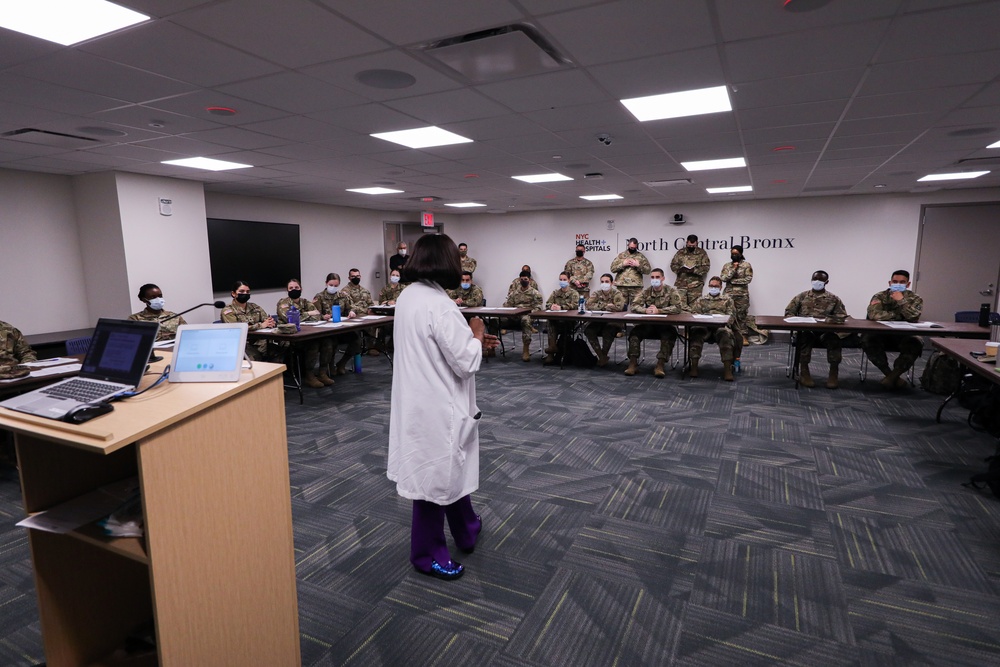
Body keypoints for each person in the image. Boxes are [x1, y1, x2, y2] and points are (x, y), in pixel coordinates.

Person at [388, 233, 498, 581]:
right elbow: (466, 362)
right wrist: (476, 332)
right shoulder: (441, 304)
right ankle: (426, 554)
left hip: (419, 398)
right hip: (437, 404)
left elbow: (441, 347)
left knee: (449, 468)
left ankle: (466, 528)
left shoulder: (409, 295)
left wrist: (472, 342)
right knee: (435, 477)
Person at [784, 270, 849, 388]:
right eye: (814, 280)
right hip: (806, 330)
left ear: (826, 282)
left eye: (820, 280)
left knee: (834, 340)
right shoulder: (802, 296)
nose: (816, 282)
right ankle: (804, 372)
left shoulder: (834, 299)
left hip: (825, 332)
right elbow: (789, 312)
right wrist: (798, 321)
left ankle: (833, 373)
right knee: (804, 338)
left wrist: (830, 320)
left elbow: (841, 316)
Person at [861, 269, 925, 389]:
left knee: (916, 342)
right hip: (881, 334)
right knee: (867, 339)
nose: (898, 284)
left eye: (902, 282)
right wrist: (899, 316)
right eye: (895, 281)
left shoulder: (915, 298)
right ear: (890, 283)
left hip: (904, 335)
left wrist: (901, 301)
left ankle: (893, 376)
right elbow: (875, 315)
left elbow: (913, 316)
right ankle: (889, 374)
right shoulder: (879, 296)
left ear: (908, 284)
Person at [625, 268, 684, 378]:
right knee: (634, 334)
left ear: (663, 278)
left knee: (669, 335)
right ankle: (633, 364)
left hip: (665, 325)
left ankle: (660, 365)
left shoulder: (671, 291)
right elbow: (634, 305)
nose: (655, 279)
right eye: (652, 277)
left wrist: (660, 311)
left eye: (657, 277)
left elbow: (678, 307)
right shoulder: (646, 291)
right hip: (648, 324)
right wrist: (645, 310)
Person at [275, 278, 331, 388]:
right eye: (291, 288)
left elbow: (317, 316)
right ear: (287, 290)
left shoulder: (305, 302)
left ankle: (322, 373)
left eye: (296, 287)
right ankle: (309, 375)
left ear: (301, 289)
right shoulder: (283, 303)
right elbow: (289, 319)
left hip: (306, 333)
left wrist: (304, 315)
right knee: (313, 344)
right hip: (290, 338)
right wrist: (308, 313)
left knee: (327, 341)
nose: (294, 289)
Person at [687, 276, 737, 381]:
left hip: (720, 327)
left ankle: (727, 369)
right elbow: (694, 315)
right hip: (704, 327)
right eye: (711, 286)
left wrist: (720, 321)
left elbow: (731, 317)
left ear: (720, 287)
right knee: (696, 334)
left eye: (716, 286)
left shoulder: (727, 300)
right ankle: (694, 367)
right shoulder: (701, 300)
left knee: (726, 336)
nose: (713, 288)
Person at [312, 272, 362, 375]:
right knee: (331, 342)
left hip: (341, 328)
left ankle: (342, 363)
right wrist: (322, 317)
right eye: (331, 285)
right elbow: (314, 314)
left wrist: (352, 312)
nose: (333, 287)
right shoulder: (319, 297)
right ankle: (328, 367)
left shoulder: (343, 295)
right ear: (326, 283)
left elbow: (353, 307)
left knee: (357, 340)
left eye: (336, 285)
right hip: (326, 331)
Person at [221, 280, 275, 361]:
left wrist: (270, 322)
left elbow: (266, 320)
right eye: (242, 291)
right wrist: (261, 325)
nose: (245, 294)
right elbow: (237, 329)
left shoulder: (254, 307)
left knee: (282, 351)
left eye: (247, 291)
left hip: (260, 341)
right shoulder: (228, 311)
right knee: (254, 358)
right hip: (242, 344)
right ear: (233, 294)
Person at [584, 273, 626, 366]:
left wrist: (599, 306)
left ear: (612, 283)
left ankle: (604, 355)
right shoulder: (597, 293)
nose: (604, 283)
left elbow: (619, 307)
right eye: (602, 282)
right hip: (598, 320)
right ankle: (601, 356)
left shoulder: (617, 293)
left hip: (613, 322)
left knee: (608, 331)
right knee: (589, 330)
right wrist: (606, 306)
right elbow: (588, 305)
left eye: (606, 281)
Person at [502, 270, 543, 361]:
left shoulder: (535, 293)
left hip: (527, 315)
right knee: (494, 320)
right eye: (521, 279)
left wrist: (530, 312)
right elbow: (507, 304)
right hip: (514, 315)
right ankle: (491, 348)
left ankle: (526, 349)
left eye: (525, 279)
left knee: (525, 320)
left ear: (530, 280)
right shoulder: (514, 293)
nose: (523, 281)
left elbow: (539, 307)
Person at [542, 272, 580, 365]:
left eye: (564, 280)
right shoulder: (555, 293)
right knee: (550, 322)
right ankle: (552, 349)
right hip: (557, 320)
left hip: (570, 321)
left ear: (569, 280)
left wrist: (561, 307)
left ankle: (552, 350)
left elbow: (575, 305)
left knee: (554, 324)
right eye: (561, 280)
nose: (562, 282)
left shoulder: (574, 293)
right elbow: (547, 303)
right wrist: (552, 306)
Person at [720, 245, 753, 349]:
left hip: (742, 295)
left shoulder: (746, 265)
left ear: (741, 254)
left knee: (741, 315)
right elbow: (724, 278)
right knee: (728, 314)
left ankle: (743, 336)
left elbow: (748, 279)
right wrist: (733, 269)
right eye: (732, 253)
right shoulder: (727, 266)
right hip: (728, 294)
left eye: (736, 254)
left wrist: (733, 281)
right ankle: (727, 335)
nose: (734, 255)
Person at [343, 267, 378, 355]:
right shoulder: (345, 291)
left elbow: (371, 303)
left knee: (378, 323)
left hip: (367, 315)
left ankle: (372, 346)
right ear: (349, 278)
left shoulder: (364, 290)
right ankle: (359, 348)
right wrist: (366, 311)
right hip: (354, 316)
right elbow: (350, 306)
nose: (356, 278)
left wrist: (372, 309)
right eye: (353, 276)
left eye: (358, 276)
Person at [670, 234, 711, 307]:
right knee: (681, 306)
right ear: (687, 242)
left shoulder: (701, 253)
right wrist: (680, 269)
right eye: (689, 245)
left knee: (695, 307)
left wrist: (694, 270)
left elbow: (706, 267)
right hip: (681, 284)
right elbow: (673, 265)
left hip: (696, 286)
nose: (691, 247)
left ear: (697, 243)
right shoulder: (680, 253)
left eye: (693, 245)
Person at [610, 237, 651, 305]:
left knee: (636, 306)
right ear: (628, 245)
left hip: (636, 287)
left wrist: (638, 265)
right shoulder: (621, 256)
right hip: (622, 286)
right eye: (631, 247)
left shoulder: (641, 256)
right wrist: (623, 264)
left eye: (634, 248)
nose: (632, 249)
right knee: (620, 306)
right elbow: (612, 269)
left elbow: (648, 271)